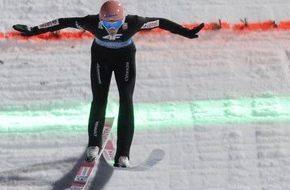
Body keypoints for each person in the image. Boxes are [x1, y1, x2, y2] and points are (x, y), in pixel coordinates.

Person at [13, 1, 203, 167]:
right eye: (106, 24)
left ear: (124, 19)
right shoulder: (91, 21)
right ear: (100, 20)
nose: (112, 29)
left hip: (125, 58)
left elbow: (160, 22)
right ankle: (94, 143)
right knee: (99, 99)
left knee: (126, 101)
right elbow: (64, 22)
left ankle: (123, 154)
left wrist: (185, 32)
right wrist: (33, 30)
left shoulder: (134, 22)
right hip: (101, 57)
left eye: (117, 24)